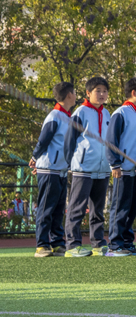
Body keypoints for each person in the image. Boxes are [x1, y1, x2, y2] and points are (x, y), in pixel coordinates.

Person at [64, 77, 112, 257]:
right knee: (77, 208)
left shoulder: (107, 114)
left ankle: (98, 243)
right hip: (83, 169)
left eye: (105, 91)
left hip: (103, 170)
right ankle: (72, 245)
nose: (102, 94)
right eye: (98, 90)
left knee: (98, 209)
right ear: (88, 93)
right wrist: (69, 164)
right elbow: (69, 140)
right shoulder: (81, 112)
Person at [30, 82, 75, 258]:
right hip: (50, 169)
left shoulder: (67, 116)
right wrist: (34, 158)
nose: (76, 95)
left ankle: (57, 243)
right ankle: (42, 245)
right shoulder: (55, 116)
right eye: (75, 92)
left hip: (61, 169)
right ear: (69, 95)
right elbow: (44, 140)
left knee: (58, 208)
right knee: (46, 208)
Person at [107, 78, 136, 256]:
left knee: (132, 207)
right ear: (134, 93)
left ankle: (127, 241)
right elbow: (111, 141)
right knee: (120, 206)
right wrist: (115, 164)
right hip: (122, 169)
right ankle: (115, 244)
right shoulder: (121, 113)